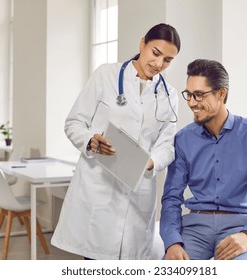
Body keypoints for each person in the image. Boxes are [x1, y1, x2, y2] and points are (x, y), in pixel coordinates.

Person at [51, 23, 181, 260]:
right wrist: (91, 140)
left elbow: (167, 144)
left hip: (138, 190)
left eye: (168, 60)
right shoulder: (106, 75)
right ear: (142, 43)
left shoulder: (169, 94)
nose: (159, 64)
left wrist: (152, 162)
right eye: (155, 53)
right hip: (99, 188)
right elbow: (73, 123)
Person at [159, 59, 247, 260]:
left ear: (221, 93)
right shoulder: (183, 139)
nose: (191, 102)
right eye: (188, 95)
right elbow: (172, 198)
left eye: (199, 95)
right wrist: (172, 241)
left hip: (239, 227)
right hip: (195, 228)